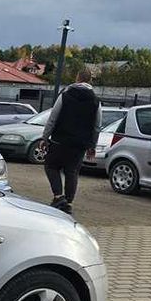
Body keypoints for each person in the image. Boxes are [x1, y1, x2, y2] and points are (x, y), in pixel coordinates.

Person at [42, 67, 101, 214]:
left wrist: (45, 137)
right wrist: (92, 145)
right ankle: (68, 203)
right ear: (90, 80)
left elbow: (53, 118)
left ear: (77, 78)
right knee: (72, 172)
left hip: (60, 140)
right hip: (79, 144)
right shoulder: (95, 100)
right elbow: (97, 126)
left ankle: (58, 196)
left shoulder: (65, 95)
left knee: (51, 166)